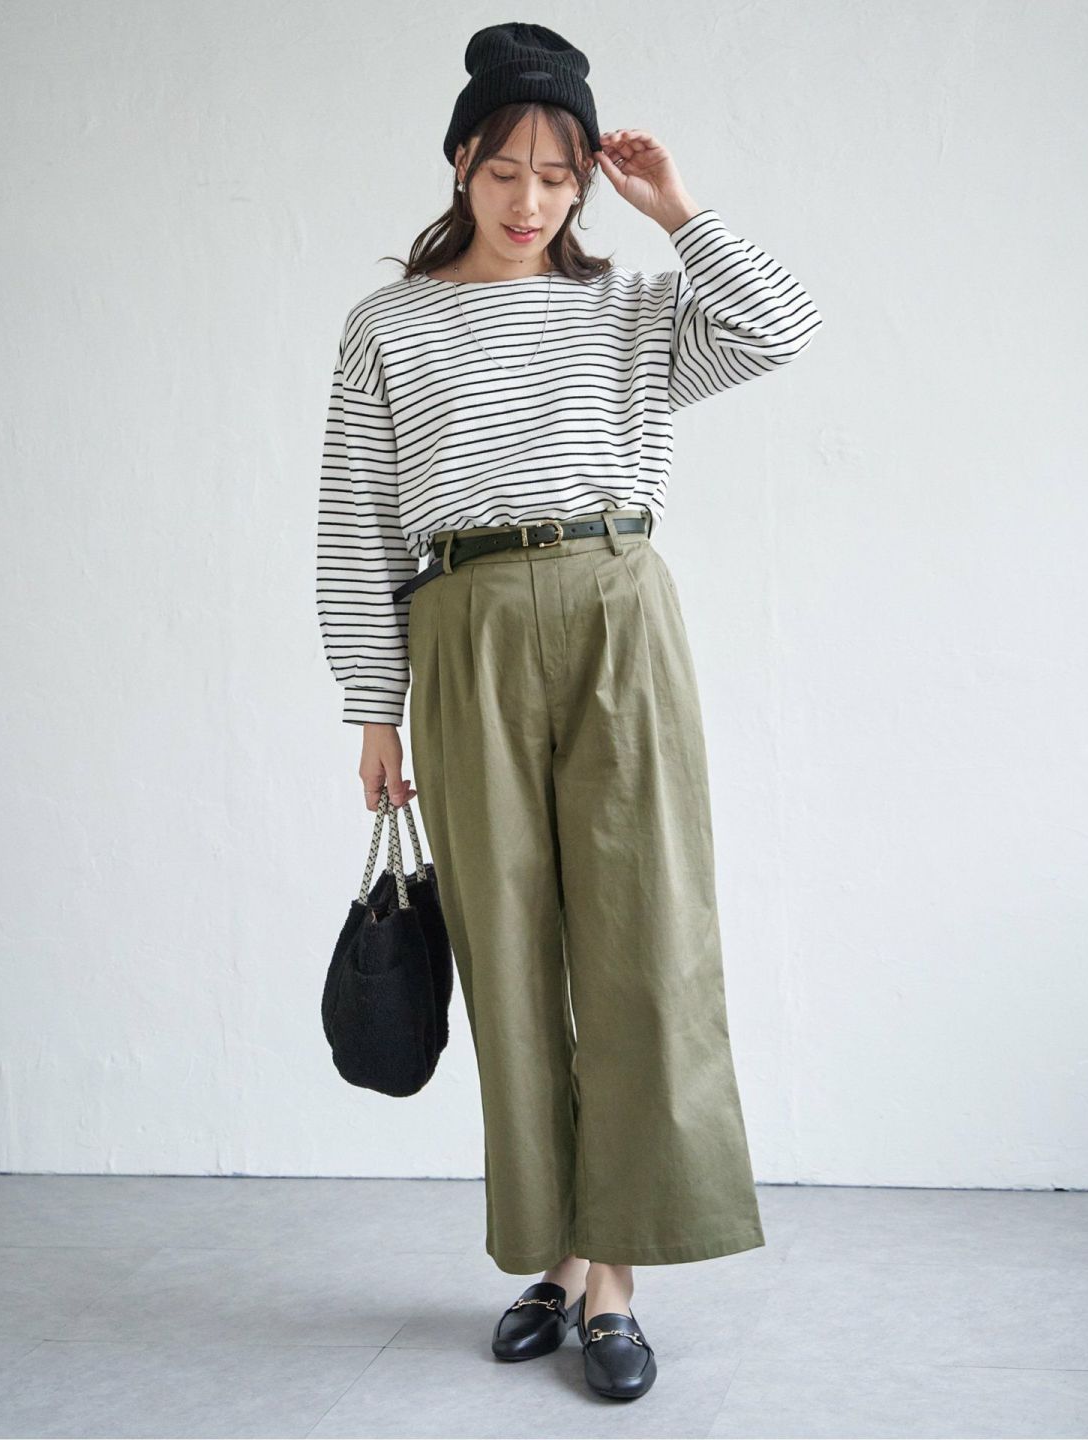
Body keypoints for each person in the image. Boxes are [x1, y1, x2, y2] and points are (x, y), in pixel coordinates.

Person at [316, 21, 823, 1401]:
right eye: (504, 171)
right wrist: (373, 708)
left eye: (556, 175)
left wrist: (680, 210)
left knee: (644, 937)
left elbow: (782, 325)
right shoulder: (388, 327)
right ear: (460, 164)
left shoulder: (634, 311)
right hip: (462, 627)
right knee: (508, 952)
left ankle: (616, 1277)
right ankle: (550, 1254)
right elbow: (359, 522)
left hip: (616, 610)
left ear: (586, 180)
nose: (529, 200)